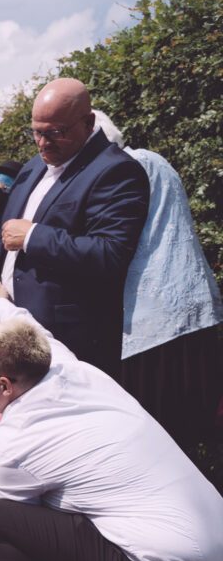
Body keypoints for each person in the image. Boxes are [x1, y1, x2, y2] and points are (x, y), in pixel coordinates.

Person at [0, 277, 223, 561]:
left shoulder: (14, 439)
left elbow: (8, 533)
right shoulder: (69, 366)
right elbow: (29, 325)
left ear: (3, 385)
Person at [0, 78, 150, 381]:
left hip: (67, 339)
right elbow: (2, 213)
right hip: (14, 327)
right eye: (36, 132)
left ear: (88, 122)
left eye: (55, 132)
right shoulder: (34, 165)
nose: (43, 142)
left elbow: (109, 254)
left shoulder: (117, 171)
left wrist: (32, 236)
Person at [92, 110, 222, 467]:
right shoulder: (154, 161)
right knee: (195, 431)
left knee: (159, 440)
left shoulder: (122, 170)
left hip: (149, 319)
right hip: (192, 308)